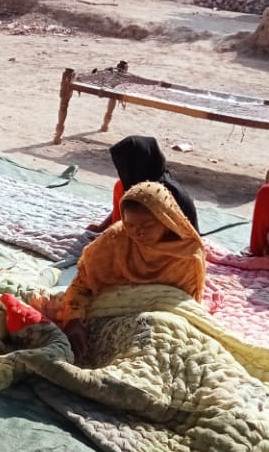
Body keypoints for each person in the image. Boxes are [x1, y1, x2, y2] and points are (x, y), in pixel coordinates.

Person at [54, 181, 206, 361]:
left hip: (161, 321)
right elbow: (81, 286)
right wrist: (74, 320)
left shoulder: (187, 255)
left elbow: (184, 307)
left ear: (167, 221)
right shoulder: (114, 240)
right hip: (109, 315)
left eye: (148, 225)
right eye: (130, 225)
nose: (137, 232)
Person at [87, 135, 199, 233]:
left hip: (168, 243)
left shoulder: (160, 193)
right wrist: (103, 227)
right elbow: (129, 207)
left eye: (125, 166)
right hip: (137, 235)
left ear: (136, 165)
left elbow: (157, 232)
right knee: (120, 186)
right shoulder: (135, 185)